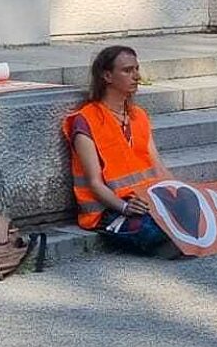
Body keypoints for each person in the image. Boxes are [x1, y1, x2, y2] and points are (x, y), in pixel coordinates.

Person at [62, 45, 173, 254]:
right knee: (156, 231)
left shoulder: (139, 115)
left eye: (137, 69)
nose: (137, 76)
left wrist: (181, 195)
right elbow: (95, 184)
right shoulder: (85, 120)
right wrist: (125, 207)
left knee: (189, 218)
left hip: (147, 201)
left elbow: (158, 168)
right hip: (109, 210)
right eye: (127, 70)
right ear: (107, 76)